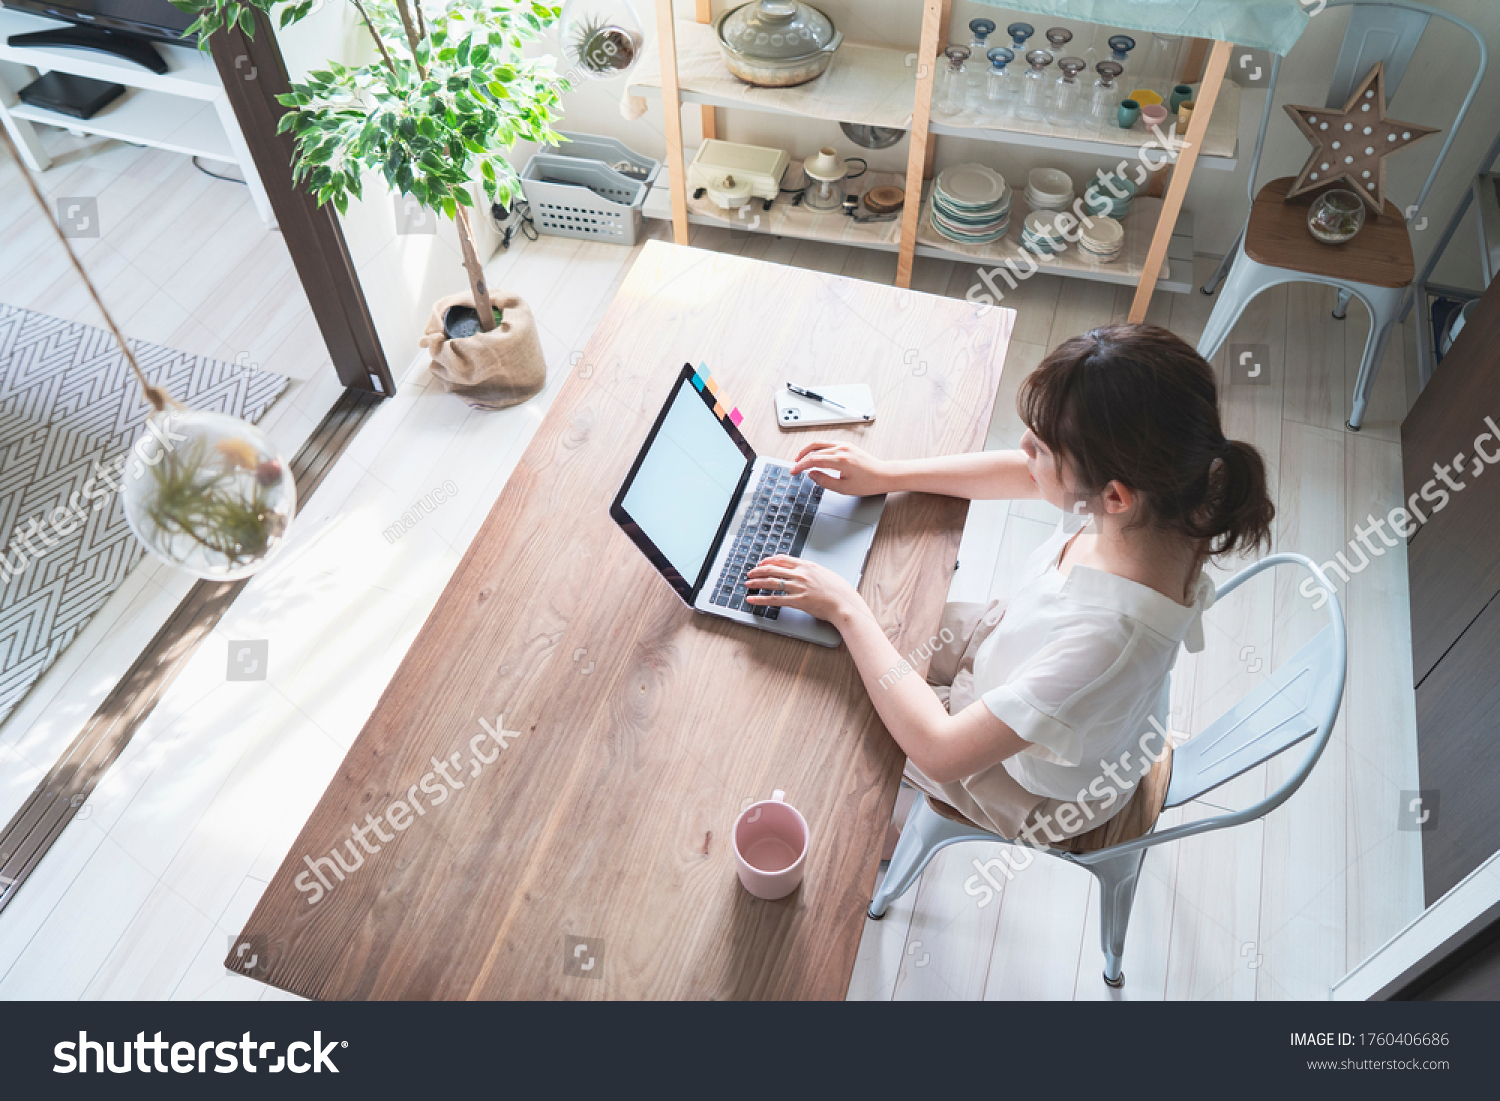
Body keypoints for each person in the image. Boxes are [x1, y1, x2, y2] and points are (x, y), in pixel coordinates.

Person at [744, 324, 1274, 848]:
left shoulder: (1108, 641)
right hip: (1022, 655)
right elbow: (1023, 474)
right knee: (864, 633)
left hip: (1030, 786)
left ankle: (878, 837)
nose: (1023, 448)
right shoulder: (1169, 502)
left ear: (1113, 497)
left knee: (837, 702)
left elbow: (939, 749)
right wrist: (888, 474)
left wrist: (847, 609)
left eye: (1042, 448)